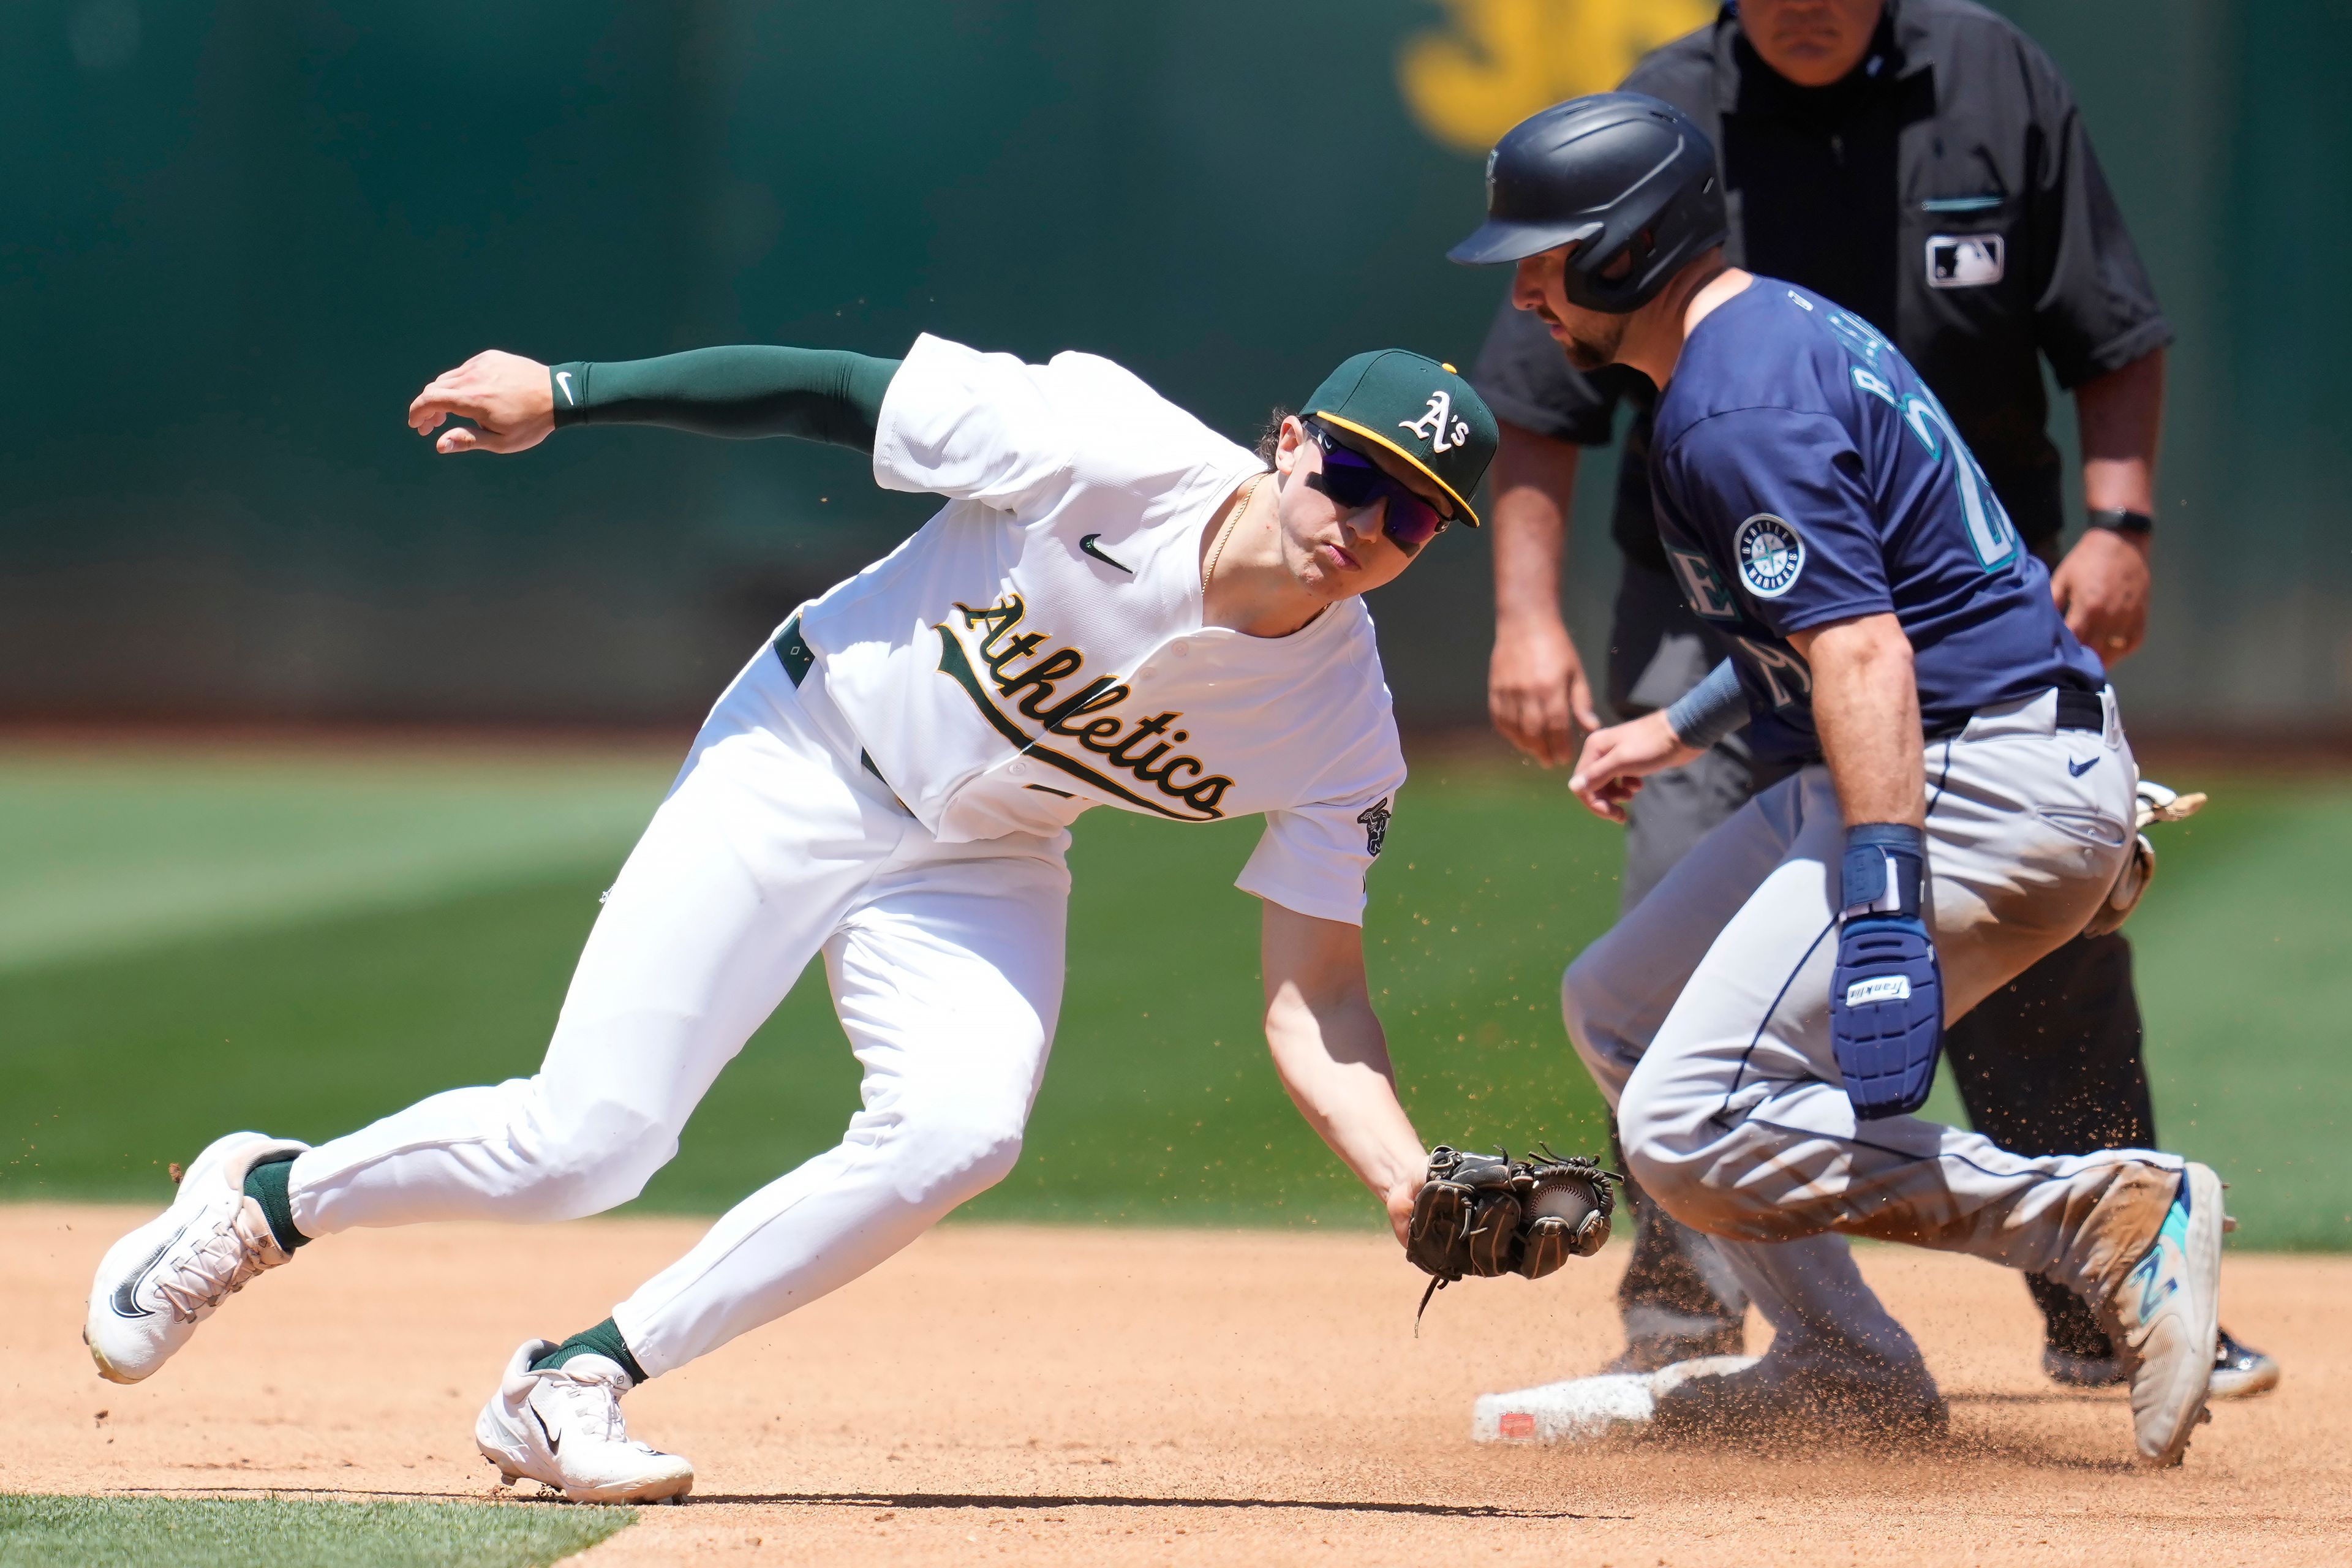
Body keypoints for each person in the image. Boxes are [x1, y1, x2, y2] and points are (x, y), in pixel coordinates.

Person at [84, 333, 1499, 1502]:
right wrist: (571, 395)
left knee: (964, 1130)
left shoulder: (1341, 727)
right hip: (807, 752)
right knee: (588, 1142)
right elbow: (835, 391)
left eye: (1418, 514)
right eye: (1363, 476)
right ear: (1295, 441)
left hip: (986, 856)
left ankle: (573, 1380)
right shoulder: (1102, 448)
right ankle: (261, 1202)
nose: (1370, 528)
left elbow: (1315, 990)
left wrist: (1400, 1176)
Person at [1468, 0, 2273, 1398]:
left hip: (1973, 776)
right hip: (1971, 746)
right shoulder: (1758, 338)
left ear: (1624, 246)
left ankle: (2101, 1212)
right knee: (1620, 1008)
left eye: (1543, 265)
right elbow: (1845, 611)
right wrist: (1681, 722)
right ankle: (1845, 1357)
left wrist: (1887, 886)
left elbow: (1863, 656)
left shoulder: (1733, 410)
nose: (1528, 297)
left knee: (1684, 1120)